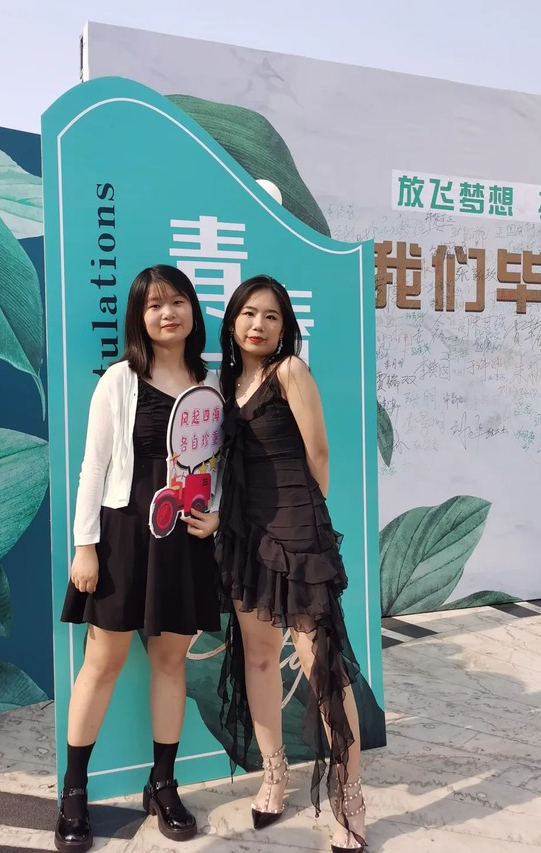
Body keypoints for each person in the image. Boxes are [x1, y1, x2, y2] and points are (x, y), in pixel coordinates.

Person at [55, 265, 221, 853]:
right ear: (139, 318)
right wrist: (85, 545)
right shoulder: (120, 379)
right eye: (154, 305)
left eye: (177, 301)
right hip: (123, 536)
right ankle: (74, 792)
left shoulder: (211, 384)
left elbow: (216, 466)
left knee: (170, 663)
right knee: (102, 662)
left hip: (184, 542)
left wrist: (216, 514)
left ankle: (163, 784)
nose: (167, 313)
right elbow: (93, 466)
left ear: (193, 310)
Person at [216, 275, 367, 852]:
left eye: (271, 316)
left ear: (285, 327)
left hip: (297, 535)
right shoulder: (225, 383)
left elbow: (318, 453)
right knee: (258, 658)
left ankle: (350, 799)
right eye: (249, 314)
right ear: (233, 322)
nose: (258, 325)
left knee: (321, 667)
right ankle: (274, 775)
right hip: (244, 536)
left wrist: (309, 528)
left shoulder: (290, 372)